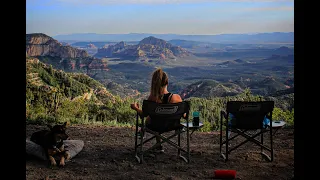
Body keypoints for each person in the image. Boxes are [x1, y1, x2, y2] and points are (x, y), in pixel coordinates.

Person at [130, 68, 184, 152]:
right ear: (167, 82)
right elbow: (184, 115)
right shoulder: (176, 98)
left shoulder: (152, 98)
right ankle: (159, 146)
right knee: (158, 117)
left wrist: (135, 108)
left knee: (153, 118)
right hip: (172, 125)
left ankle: (154, 142)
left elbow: (143, 115)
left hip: (155, 126)